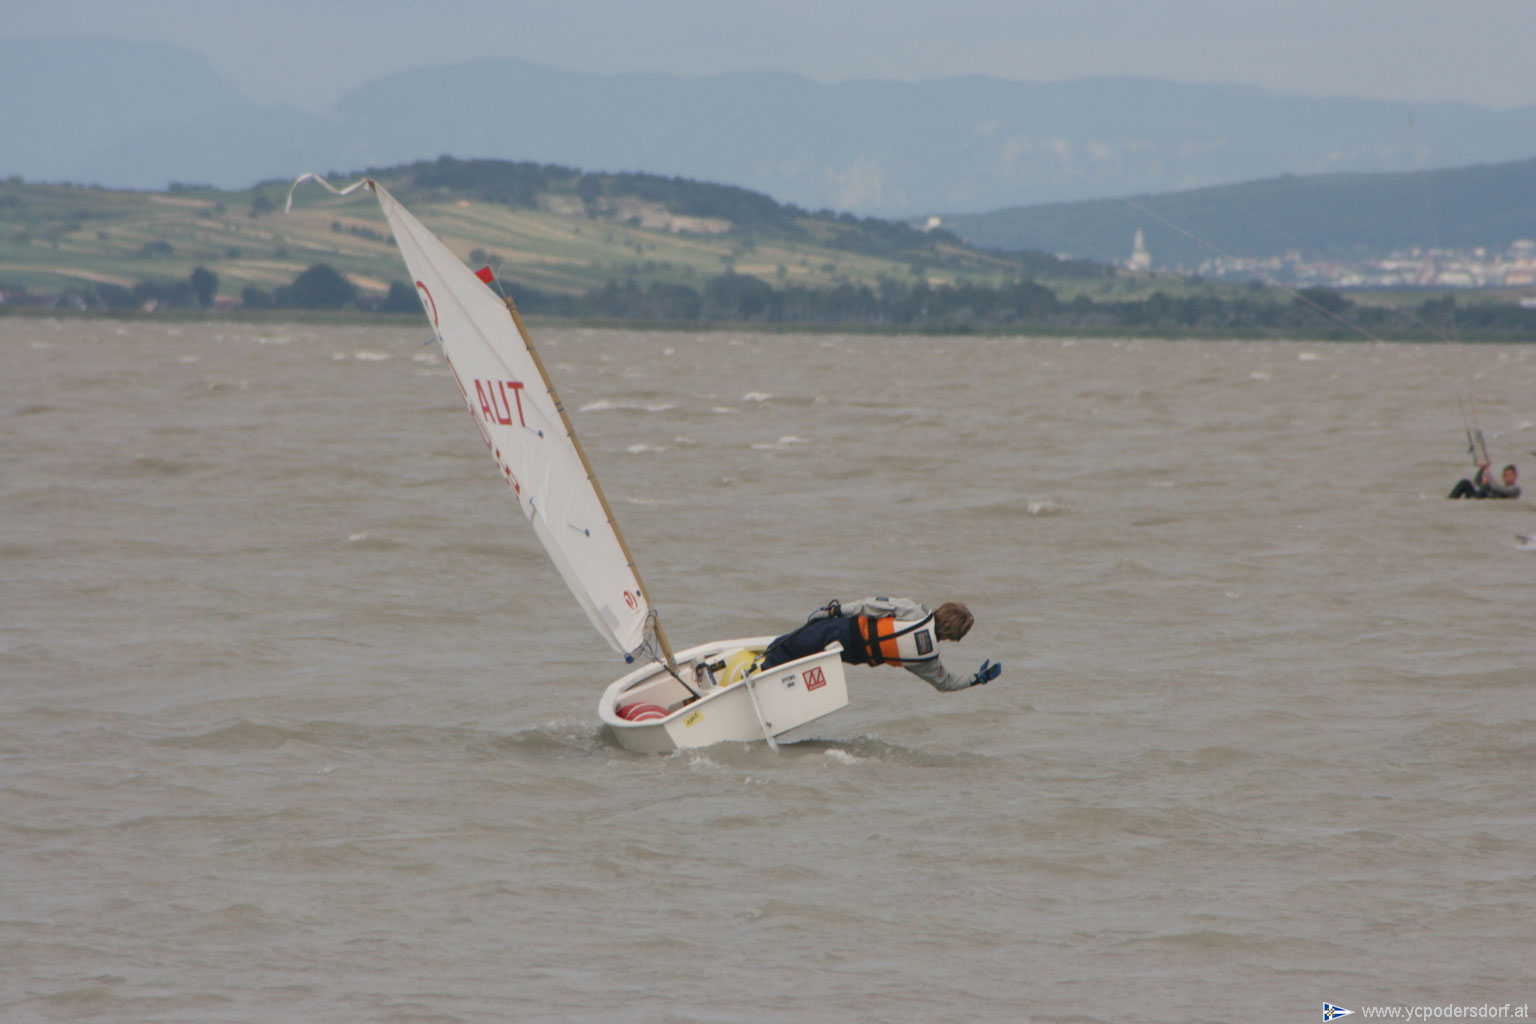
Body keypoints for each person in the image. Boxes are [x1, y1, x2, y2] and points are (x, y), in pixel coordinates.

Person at [755, 596, 1001, 692]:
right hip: (853, 655)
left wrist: (836, 610)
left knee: (785, 645)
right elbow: (945, 683)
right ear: (953, 637)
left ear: (943, 609)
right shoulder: (927, 659)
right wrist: (976, 679)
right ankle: (774, 685)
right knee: (803, 658)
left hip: (843, 630)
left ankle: (758, 674)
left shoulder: (915, 612)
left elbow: (870, 605)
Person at [1449, 462, 1520, 499]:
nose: (1508, 477)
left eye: (1511, 475)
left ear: (1516, 476)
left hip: (1478, 500)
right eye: (1506, 475)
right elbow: (1477, 482)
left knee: (1487, 485)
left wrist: (1487, 471)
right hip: (1479, 497)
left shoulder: (1515, 489)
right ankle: (1449, 501)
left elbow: (1497, 488)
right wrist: (1482, 469)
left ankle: (1473, 500)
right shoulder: (1500, 486)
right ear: (1503, 477)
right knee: (1465, 483)